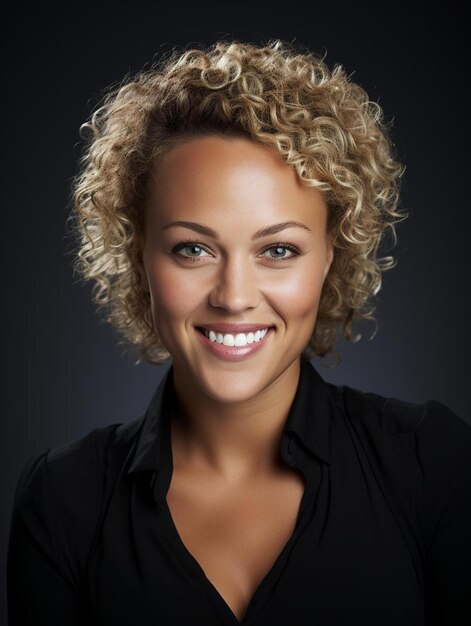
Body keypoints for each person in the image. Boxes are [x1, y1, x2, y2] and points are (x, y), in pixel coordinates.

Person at [6, 38, 471, 626]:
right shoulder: (63, 499)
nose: (233, 296)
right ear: (138, 254)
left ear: (331, 253)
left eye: (278, 249)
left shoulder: (432, 464)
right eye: (192, 249)